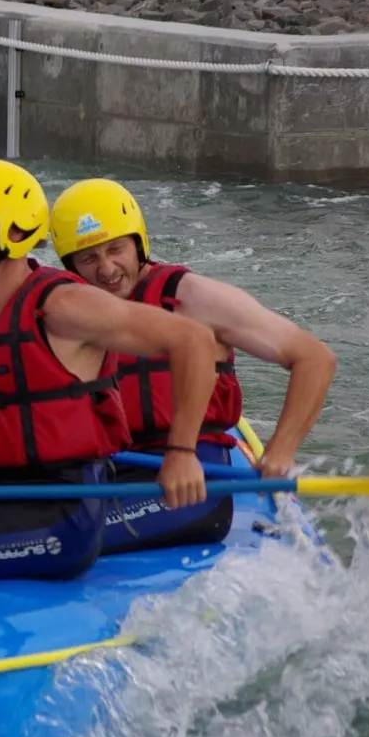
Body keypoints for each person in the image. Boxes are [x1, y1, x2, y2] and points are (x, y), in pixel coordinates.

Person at [0, 159, 219, 594]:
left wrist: (182, 452)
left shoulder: (65, 306)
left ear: (13, 230)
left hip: (59, 514)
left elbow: (193, 342)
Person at [50, 178, 338, 553]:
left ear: (138, 244)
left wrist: (281, 451)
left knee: (49, 539)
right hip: (114, 468)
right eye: (89, 258)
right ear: (70, 265)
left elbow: (315, 358)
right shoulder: (73, 310)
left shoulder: (193, 298)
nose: (107, 269)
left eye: (115, 249)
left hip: (192, 479)